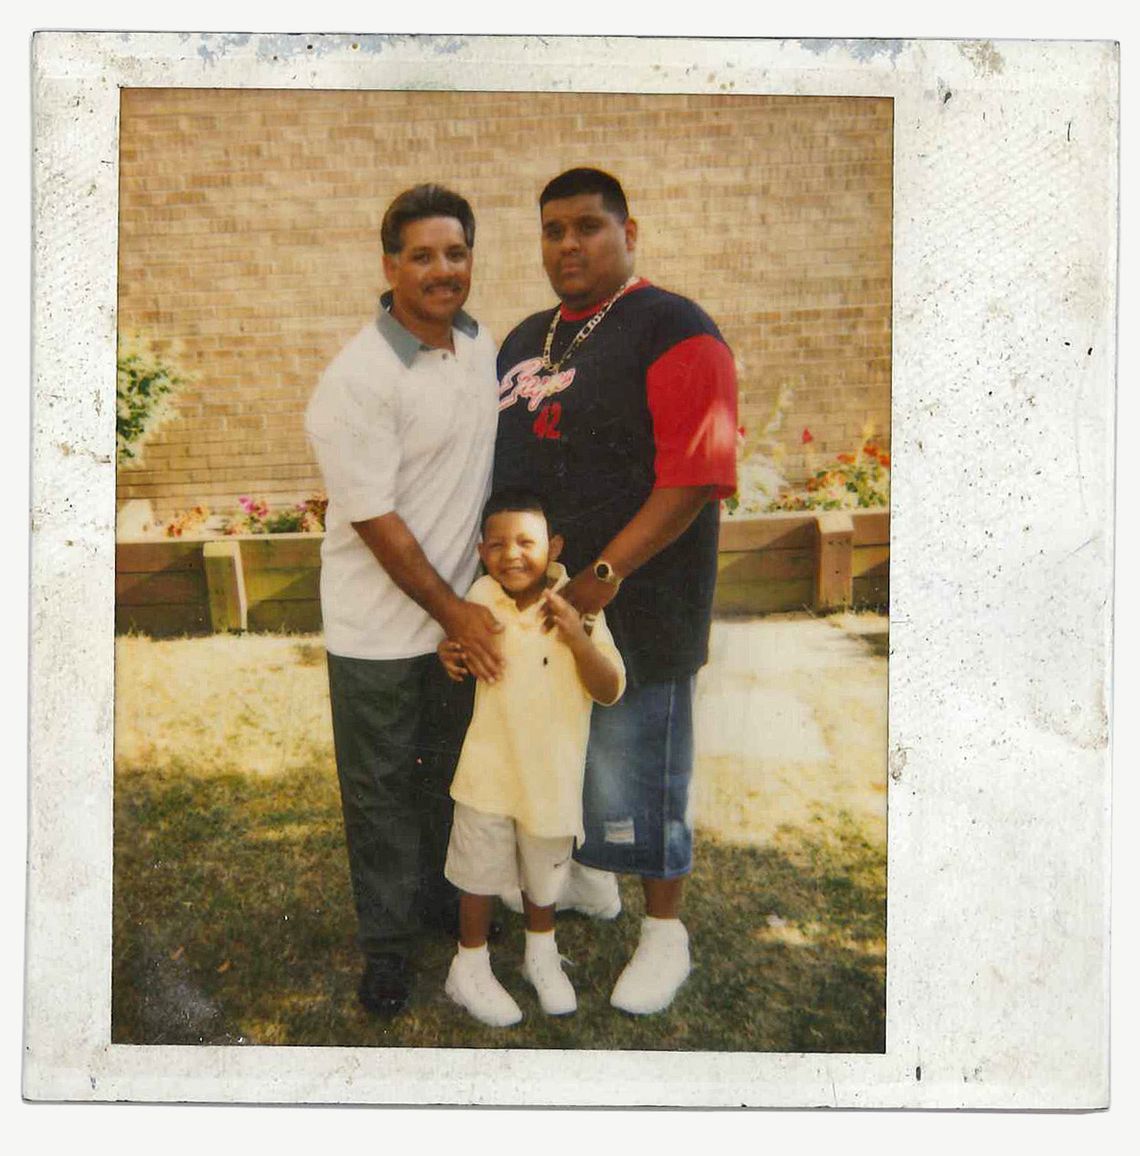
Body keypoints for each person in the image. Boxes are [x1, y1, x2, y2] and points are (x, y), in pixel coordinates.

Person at [494, 167, 738, 1015]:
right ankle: (590, 881)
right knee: (564, 752)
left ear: (630, 231)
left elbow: (695, 477)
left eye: (589, 227)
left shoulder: (674, 327)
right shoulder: (525, 338)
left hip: (642, 599)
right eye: (553, 229)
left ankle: (665, 933)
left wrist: (602, 577)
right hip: (548, 605)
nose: (569, 244)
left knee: (644, 764)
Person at [305, 183, 503, 1019]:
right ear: (389, 266)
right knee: (382, 792)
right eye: (421, 255)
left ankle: (428, 907)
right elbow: (378, 522)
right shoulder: (357, 379)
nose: (441, 270)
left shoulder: (478, 341)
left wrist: (467, 607)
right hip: (377, 631)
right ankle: (385, 950)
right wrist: (455, 611)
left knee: (443, 781)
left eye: (455, 253)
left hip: (450, 627)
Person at [437, 489, 625, 1026]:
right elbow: (458, 647)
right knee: (477, 873)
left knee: (544, 878)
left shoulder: (578, 609)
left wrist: (578, 640)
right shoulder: (479, 597)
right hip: (487, 771)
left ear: (555, 546)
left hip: (549, 776)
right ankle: (468, 966)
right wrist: (449, 654)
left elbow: (610, 687)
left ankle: (540, 957)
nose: (511, 555)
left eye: (526, 542)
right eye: (496, 544)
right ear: (480, 552)